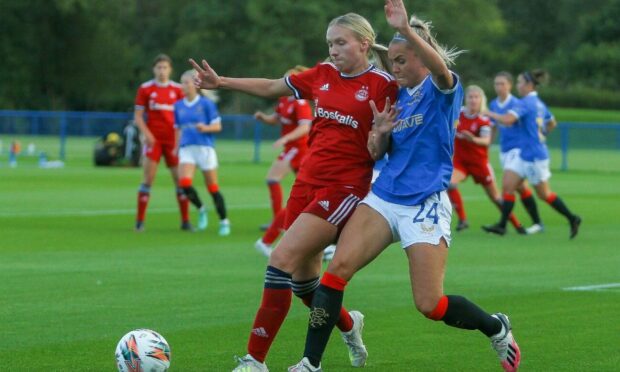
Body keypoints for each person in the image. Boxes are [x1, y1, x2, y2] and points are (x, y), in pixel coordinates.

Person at [289, 2, 520, 372]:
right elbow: (378, 151)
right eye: (391, 61)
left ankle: (495, 326)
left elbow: (442, 70)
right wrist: (379, 134)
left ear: (421, 58)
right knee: (335, 274)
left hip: (424, 204)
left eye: (400, 61)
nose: (393, 68)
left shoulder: (442, 91)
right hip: (383, 199)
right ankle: (309, 363)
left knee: (430, 305)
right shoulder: (395, 97)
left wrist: (408, 32)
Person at [190, 11, 398, 372]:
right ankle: (349, 324)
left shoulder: (383, 84)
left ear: (364, 44)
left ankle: (255, 360)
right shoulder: (322, 74)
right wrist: (221, 82)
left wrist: (381, 138)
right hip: (306, 183)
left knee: (280, 259)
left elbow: (390, 141)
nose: (333, 49)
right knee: (305, 284)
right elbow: (273, 87)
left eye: (341, 42)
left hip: (345, 187)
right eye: (330, 43)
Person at [483, 69, 581, 238]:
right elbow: (552, 123)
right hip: (525, 153)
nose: (518, 86)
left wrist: (486, 112)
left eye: (520, 82)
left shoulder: (525, 103)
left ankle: (572, 218)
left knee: (544, 194)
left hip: (535, 157)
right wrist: (542, 135)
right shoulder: (538, 103)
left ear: (529, 85)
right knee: (508, 186)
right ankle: (502, 225)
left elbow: (508, 120)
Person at [447, 85, 525, 233]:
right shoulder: (458, 114)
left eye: (476, 97)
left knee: (496, 197)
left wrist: (473, 139)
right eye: (471, 97)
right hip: (461, 162)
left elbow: (486, 141)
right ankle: (463, 220)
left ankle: (517, 224)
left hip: (479, 163)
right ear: (466, 99)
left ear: (481, 100)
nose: (473, 100)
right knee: (450, 184)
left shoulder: (483, 119)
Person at [254, 66, 313, 255]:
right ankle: (277, 227)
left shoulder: (300, 102)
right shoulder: (283, 100)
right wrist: (263, 118)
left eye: (290, 79)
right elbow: (276, 119)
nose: (285, 82)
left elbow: (305, 127)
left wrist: (286, 138)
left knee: (277, 181)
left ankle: (276, 226)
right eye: (285, 78)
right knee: (308, 195)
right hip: (292, 148)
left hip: (300, 148)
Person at [134, 54, 190, 231]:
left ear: (170, 69)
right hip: (154, 140)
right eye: (159, 67)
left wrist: (179, 141)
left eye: (165, 67)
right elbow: (138, 117)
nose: (162, 71)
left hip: (172, 141)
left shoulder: (178, 89)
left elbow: (183, 117)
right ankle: (140, 222)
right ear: (154, 69)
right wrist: (146, 135)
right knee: (148, 179)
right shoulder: (145, 89)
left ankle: (185, 221)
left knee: (180, 180)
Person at [174, 70, 230, 236]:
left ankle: (224, 221)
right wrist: (176, 147)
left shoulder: (206, 104)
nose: (183, 86)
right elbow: (177, 129)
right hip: (187, 149)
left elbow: (217, 126)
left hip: (204, 149)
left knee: (212, 188)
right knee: (184, 183)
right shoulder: (178, 105)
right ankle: (201, 209)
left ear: (195, 85)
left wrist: (205, 128)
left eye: (186, 82)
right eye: (181, 82)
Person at [489, 71, 544, 234]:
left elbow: (514, 122)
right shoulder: (493, 104)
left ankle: (503, 225)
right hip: (505, 150)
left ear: (510, 85)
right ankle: (536, 222)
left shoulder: (517, 103)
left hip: (518, 149)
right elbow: (494, 127)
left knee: (508, 186)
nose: (499, 87)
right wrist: (487, 146)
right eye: (496, 84)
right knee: (520, 188)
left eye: (502, 84)